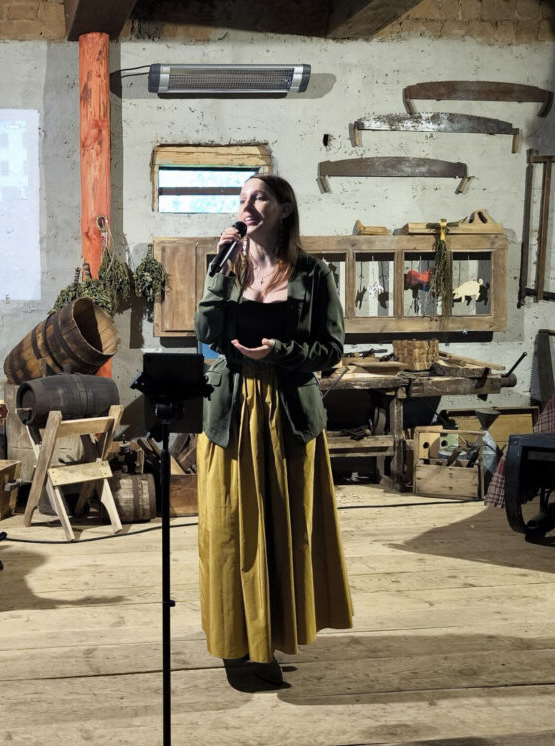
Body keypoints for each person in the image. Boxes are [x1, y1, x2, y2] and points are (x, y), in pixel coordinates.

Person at [194, 174, 353, 685]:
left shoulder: (313, 273)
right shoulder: (229, 267)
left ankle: (271, 640)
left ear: (284, 208)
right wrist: (218, 273)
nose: (247, 205)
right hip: (232, 413)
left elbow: (331, 350)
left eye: (259, 196)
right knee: (230, 532)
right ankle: (236, 646)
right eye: (242, 198)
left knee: (285, 530)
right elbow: (207, 334)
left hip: (287, 415)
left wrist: (280, 352)